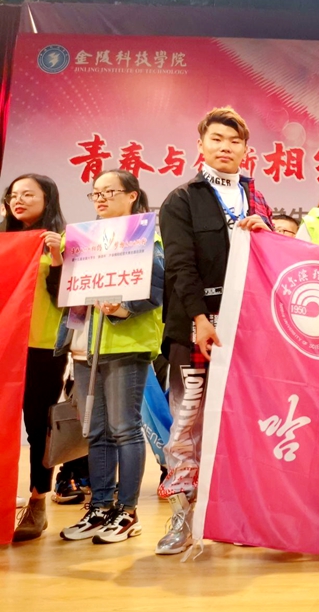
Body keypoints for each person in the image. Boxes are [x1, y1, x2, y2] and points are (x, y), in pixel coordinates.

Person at [156, 107, 273, 555]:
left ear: (246, 150)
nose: (226, 147)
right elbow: (179, 266)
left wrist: (266, 234)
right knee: (188, 423)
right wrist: (200, 319)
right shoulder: (181, 199)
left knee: (242, 419)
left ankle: (233, 514)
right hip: (197, 329)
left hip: (249, 327)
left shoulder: (256, 199)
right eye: (217, 139)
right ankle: (182, 517)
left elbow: (273, 259)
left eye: (234, 141)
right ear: (201, 145)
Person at [55, 170, 165, 543]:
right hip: (86, 344)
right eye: (95, 193)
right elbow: (68, 286)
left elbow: (156, 287)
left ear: (132, 195)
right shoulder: (84, 238)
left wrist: (124, 308)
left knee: (124, 428)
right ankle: (100, 507)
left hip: (125, 344)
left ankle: (127, 512)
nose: (100, 198)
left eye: (109, 191)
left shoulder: (146, 235)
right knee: (97, 431)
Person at [5, 174, 70, 541]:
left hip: (42, 347)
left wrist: (57, 257)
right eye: (14, 195)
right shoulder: (3, 241)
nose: (19, 200)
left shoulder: (62, 241)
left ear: (48, 199)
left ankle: (37, 501)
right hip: (4, 344)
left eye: (28, 194)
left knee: (37, 426)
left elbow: (66, 299)